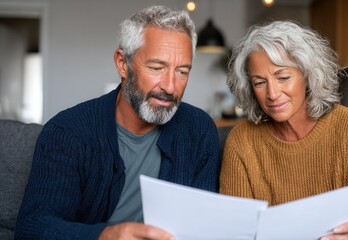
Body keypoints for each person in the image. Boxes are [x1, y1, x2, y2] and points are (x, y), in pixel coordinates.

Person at [15, 6, 220, 240]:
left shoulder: (199, 130)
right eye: (156, 68)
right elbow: (32, 229)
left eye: (182, 72)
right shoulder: (67, 131)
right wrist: (104, 236)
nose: (170, 87)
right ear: (123, 64)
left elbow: (204, 227)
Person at [219, 20, 348, 239]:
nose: (273, 94)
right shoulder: (242, 141)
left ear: (307, 76)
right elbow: (234, 232)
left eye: (283, 77)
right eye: (259, 82)